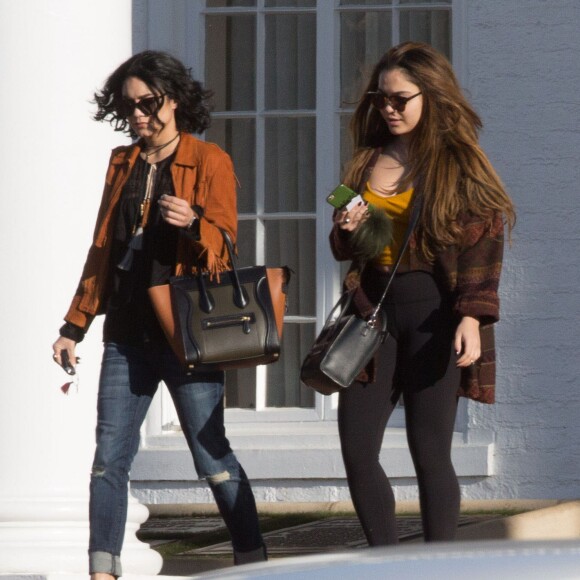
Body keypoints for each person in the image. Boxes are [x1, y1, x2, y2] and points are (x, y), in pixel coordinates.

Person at [51, 50, 267, 578]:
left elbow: (224, 244)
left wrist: (193, 223)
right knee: (108, 462)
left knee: (211, 457)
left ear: (173, 98)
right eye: (129, 107)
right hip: (126, 334)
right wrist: (74, 325)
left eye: (148, 103)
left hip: (185, 331)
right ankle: (103, 571)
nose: (139, 116)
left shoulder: (209, 159)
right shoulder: (122, 163)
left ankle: (254, 562)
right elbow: (102, 248)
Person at [330, 42, 515, 545]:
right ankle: (386, 565)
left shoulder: (458, 163)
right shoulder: (363, 163)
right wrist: (347, 228)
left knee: (430, 450)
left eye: (400, 99)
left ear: (430, 96)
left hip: (434, 315)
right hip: (373, 316)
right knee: (356, 447)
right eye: (380, 99)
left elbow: (485, 239)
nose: (388, 108)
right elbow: (343, 247)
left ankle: (439, 567)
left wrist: (473, 317)